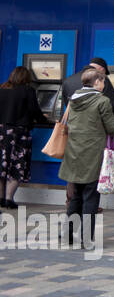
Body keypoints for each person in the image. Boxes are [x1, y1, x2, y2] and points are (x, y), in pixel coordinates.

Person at [60, 68, 114, 249]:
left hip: (74, 152)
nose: (104, 85)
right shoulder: (102, 101)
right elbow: (111, 127)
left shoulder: (74, 99)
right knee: (91, 198)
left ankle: (69, 234)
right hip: (92, 153)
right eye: (103, 82)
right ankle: (87, 239)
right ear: (96, 82)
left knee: (76, 195)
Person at [0, 66, 52, 209]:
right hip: (19, 134)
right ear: (26, 78)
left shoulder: (2, 89)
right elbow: (35, 112)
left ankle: (0, 198)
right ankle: (9, 199)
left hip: (2, 133)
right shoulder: (28, 91)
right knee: (18, 165)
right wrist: (45, 119)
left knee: (2, 165)